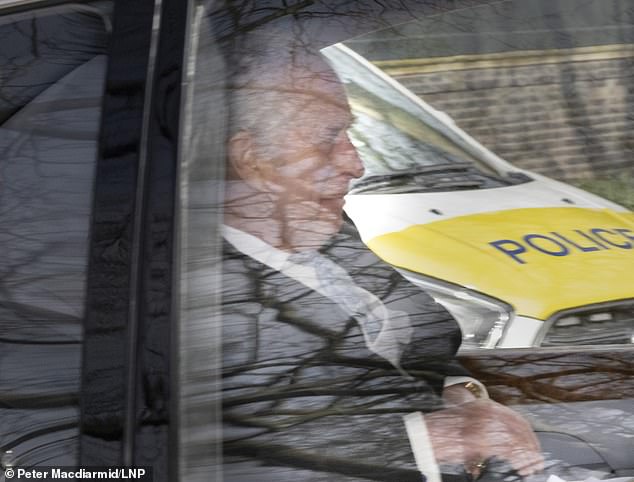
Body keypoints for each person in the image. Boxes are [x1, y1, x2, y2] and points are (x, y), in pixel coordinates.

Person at [220, 38, 543, 481]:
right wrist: (427, 441)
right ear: (252, 161)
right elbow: (242, 447)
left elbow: (422, 338)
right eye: (328, 138)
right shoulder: (198, 290)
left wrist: (463, 399)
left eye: (349, 132)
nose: (356, 164)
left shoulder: (325, 227)